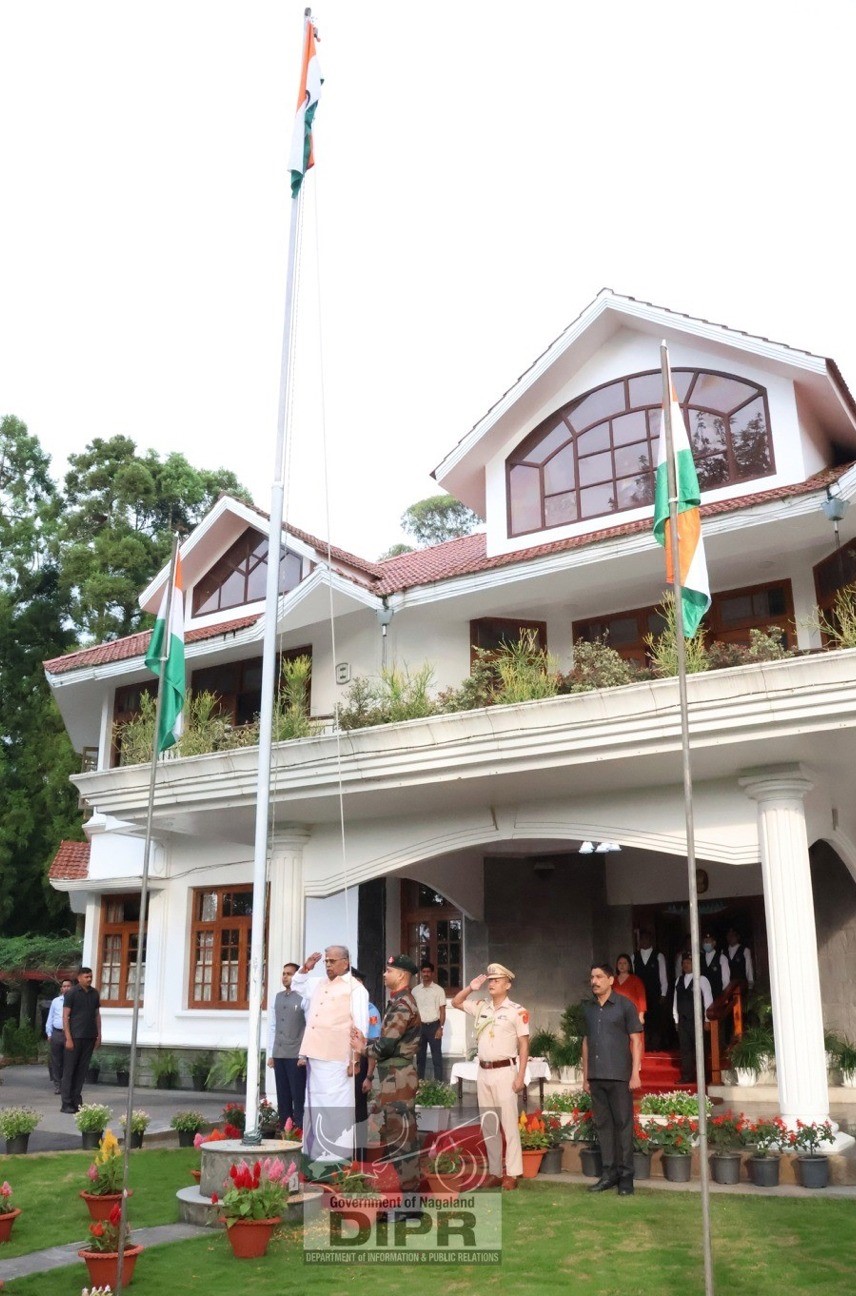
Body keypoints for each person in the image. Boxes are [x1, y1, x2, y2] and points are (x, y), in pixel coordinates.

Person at [451, 962, 529, 1190]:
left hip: (506, 1071)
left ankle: (513, 1173)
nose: (491, 983)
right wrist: (471, 987)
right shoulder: (481, 1005)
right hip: (483, 1072)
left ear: (508, 984)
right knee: (489, 1125)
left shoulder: (517, 1010)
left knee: (509, 1125)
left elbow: (524, 1045)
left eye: (496, 980)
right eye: (490, 980)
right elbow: (456, 1002)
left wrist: (521, 1076)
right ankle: (495, 1171)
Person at [351, 954, 422, 1200]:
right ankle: (405, 1198)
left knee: (402, 1139)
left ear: (401, 975)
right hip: (394, 1076)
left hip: (398, 1078)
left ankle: (410, 1203)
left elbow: (385, 1047)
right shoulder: (398, 1002)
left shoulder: (402, 1005)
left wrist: (363, 1048)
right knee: (396, 1138)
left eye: (389, 970)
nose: (384, 974)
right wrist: (368, 1044)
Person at [292, 945, 369, 1165]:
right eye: (326, 961)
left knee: (336, 1107)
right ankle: (316, 1155)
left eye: (332, 961)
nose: (328, 965)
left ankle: (337, 1157)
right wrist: (306, 968)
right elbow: (296, 985)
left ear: (346, 962)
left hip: (338, 1057)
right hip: (315, 1054)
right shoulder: (318, 983)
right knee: (316, 1105)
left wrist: (355, 1060)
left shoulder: (356, 989)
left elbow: (360, 1027)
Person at [582, 961, 643, 1196]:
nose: (594, 981)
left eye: (599, 977)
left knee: (623, 1126)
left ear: (610, 980)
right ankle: (608, 1174)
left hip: (619, 1076)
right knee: (603, 1126)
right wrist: (585, 1076)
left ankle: (626, 1177)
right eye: (592, 977)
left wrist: (635, 1073)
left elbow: (636, 1040)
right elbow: (586, 1043)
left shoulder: (624, 1005)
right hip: (596, 1076)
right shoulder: (588, 1008)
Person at [266, 961, 306, 1130]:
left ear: (297, 976)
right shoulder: (277, 997)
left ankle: (299, 1130)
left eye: (289, 974)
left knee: (298, 1095)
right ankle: (285, 1129)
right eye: (283, 973)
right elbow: (273, 1026)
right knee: (283, 1095)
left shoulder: (304, 997)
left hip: (296, 1054)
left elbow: (308, 1026)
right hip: (279, 1052)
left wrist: (304, 1054)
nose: (285, 977)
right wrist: (271, 1053)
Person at [60, 967, 101, 1113]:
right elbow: (65, 1016)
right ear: (79, 978)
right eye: (86, 977)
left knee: (82, 1071)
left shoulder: (94, 993)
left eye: (90, 976)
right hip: (75, 1036)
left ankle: (77, 1099)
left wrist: (99, 1035)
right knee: (70, 1070)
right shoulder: (71, 993)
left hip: (89, 1036)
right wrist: (68, 1038)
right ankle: (66, 1102)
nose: (89, 979)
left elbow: (97, 1015)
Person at [350, 968, 381, 1155]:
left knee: (359, 1109)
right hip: (343, 1063)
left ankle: (360, 1152)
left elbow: (373, 1046)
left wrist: (369, 1076)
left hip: (360, 1062)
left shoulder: (371, 1010)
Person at [672, 952, 713, 1083]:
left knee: (700, 1048)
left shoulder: (702, 979)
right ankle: (687, 1076)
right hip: (683, 1020)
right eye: (683, 963)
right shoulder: (678, 980)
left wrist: (707, 1020)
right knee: (685, 1049)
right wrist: (676, 1019)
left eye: (688, 962)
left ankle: (704, 1076)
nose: (685, 965)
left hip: (697, 1020)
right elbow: (675, 1001)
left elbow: (708, 1000)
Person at [412, 961, 447, 1081]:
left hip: (434, 1026)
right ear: (421, 973)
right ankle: (420, 1085)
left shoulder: (439, 990)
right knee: (420, 1058)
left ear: (432, 973)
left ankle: (439, 1086)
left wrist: (440, 1028)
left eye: (428, 972)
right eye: (424, 971)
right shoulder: (415, 991)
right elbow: (413, 1011)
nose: (426, 974)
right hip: (420, 1027)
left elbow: (442, 1011)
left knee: (437, 1058)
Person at [633, 931, 668, 1051]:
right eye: (641, 939)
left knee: (655, 1020)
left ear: (650, 940)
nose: (644, 941)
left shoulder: (658, 956)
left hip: (655, 993)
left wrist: (663, 993)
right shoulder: (634, 956)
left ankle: (655, 1045)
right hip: (639, 995)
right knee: (642, 1020)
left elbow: (663, 976)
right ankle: (644, 1045)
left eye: (646, 939)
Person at [46, 977, 73, 1095]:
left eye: (69, 986)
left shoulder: (75, 1001)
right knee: (56, 1060)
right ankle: (57, 1085)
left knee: (69, 1060)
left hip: (70, 1034)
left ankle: (67, 1084)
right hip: (57, 1033)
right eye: (64, 986)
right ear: (61, 989)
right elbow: (50, 1017)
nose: (66, 988)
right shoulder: (56, 1001)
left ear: (72, 988)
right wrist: (49, 1033)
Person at [612, 954, 646, 1038]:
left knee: (634, 1040)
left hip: (632, 1015)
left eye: (625, 963)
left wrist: (641, 1016)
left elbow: (642, 998)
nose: (622, 965)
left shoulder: (636, 980)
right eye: (620, 963)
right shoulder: (613, 980)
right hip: (617, 1015)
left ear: (629, 965)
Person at [700, 931, 729, 999]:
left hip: (718, 995)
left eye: (708, 941)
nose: (706, 943)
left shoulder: (721, 958)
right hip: (704, 996)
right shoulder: (700, 959)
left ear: (714, 943)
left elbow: (726, 979)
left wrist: (724, 995)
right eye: (704, 941)